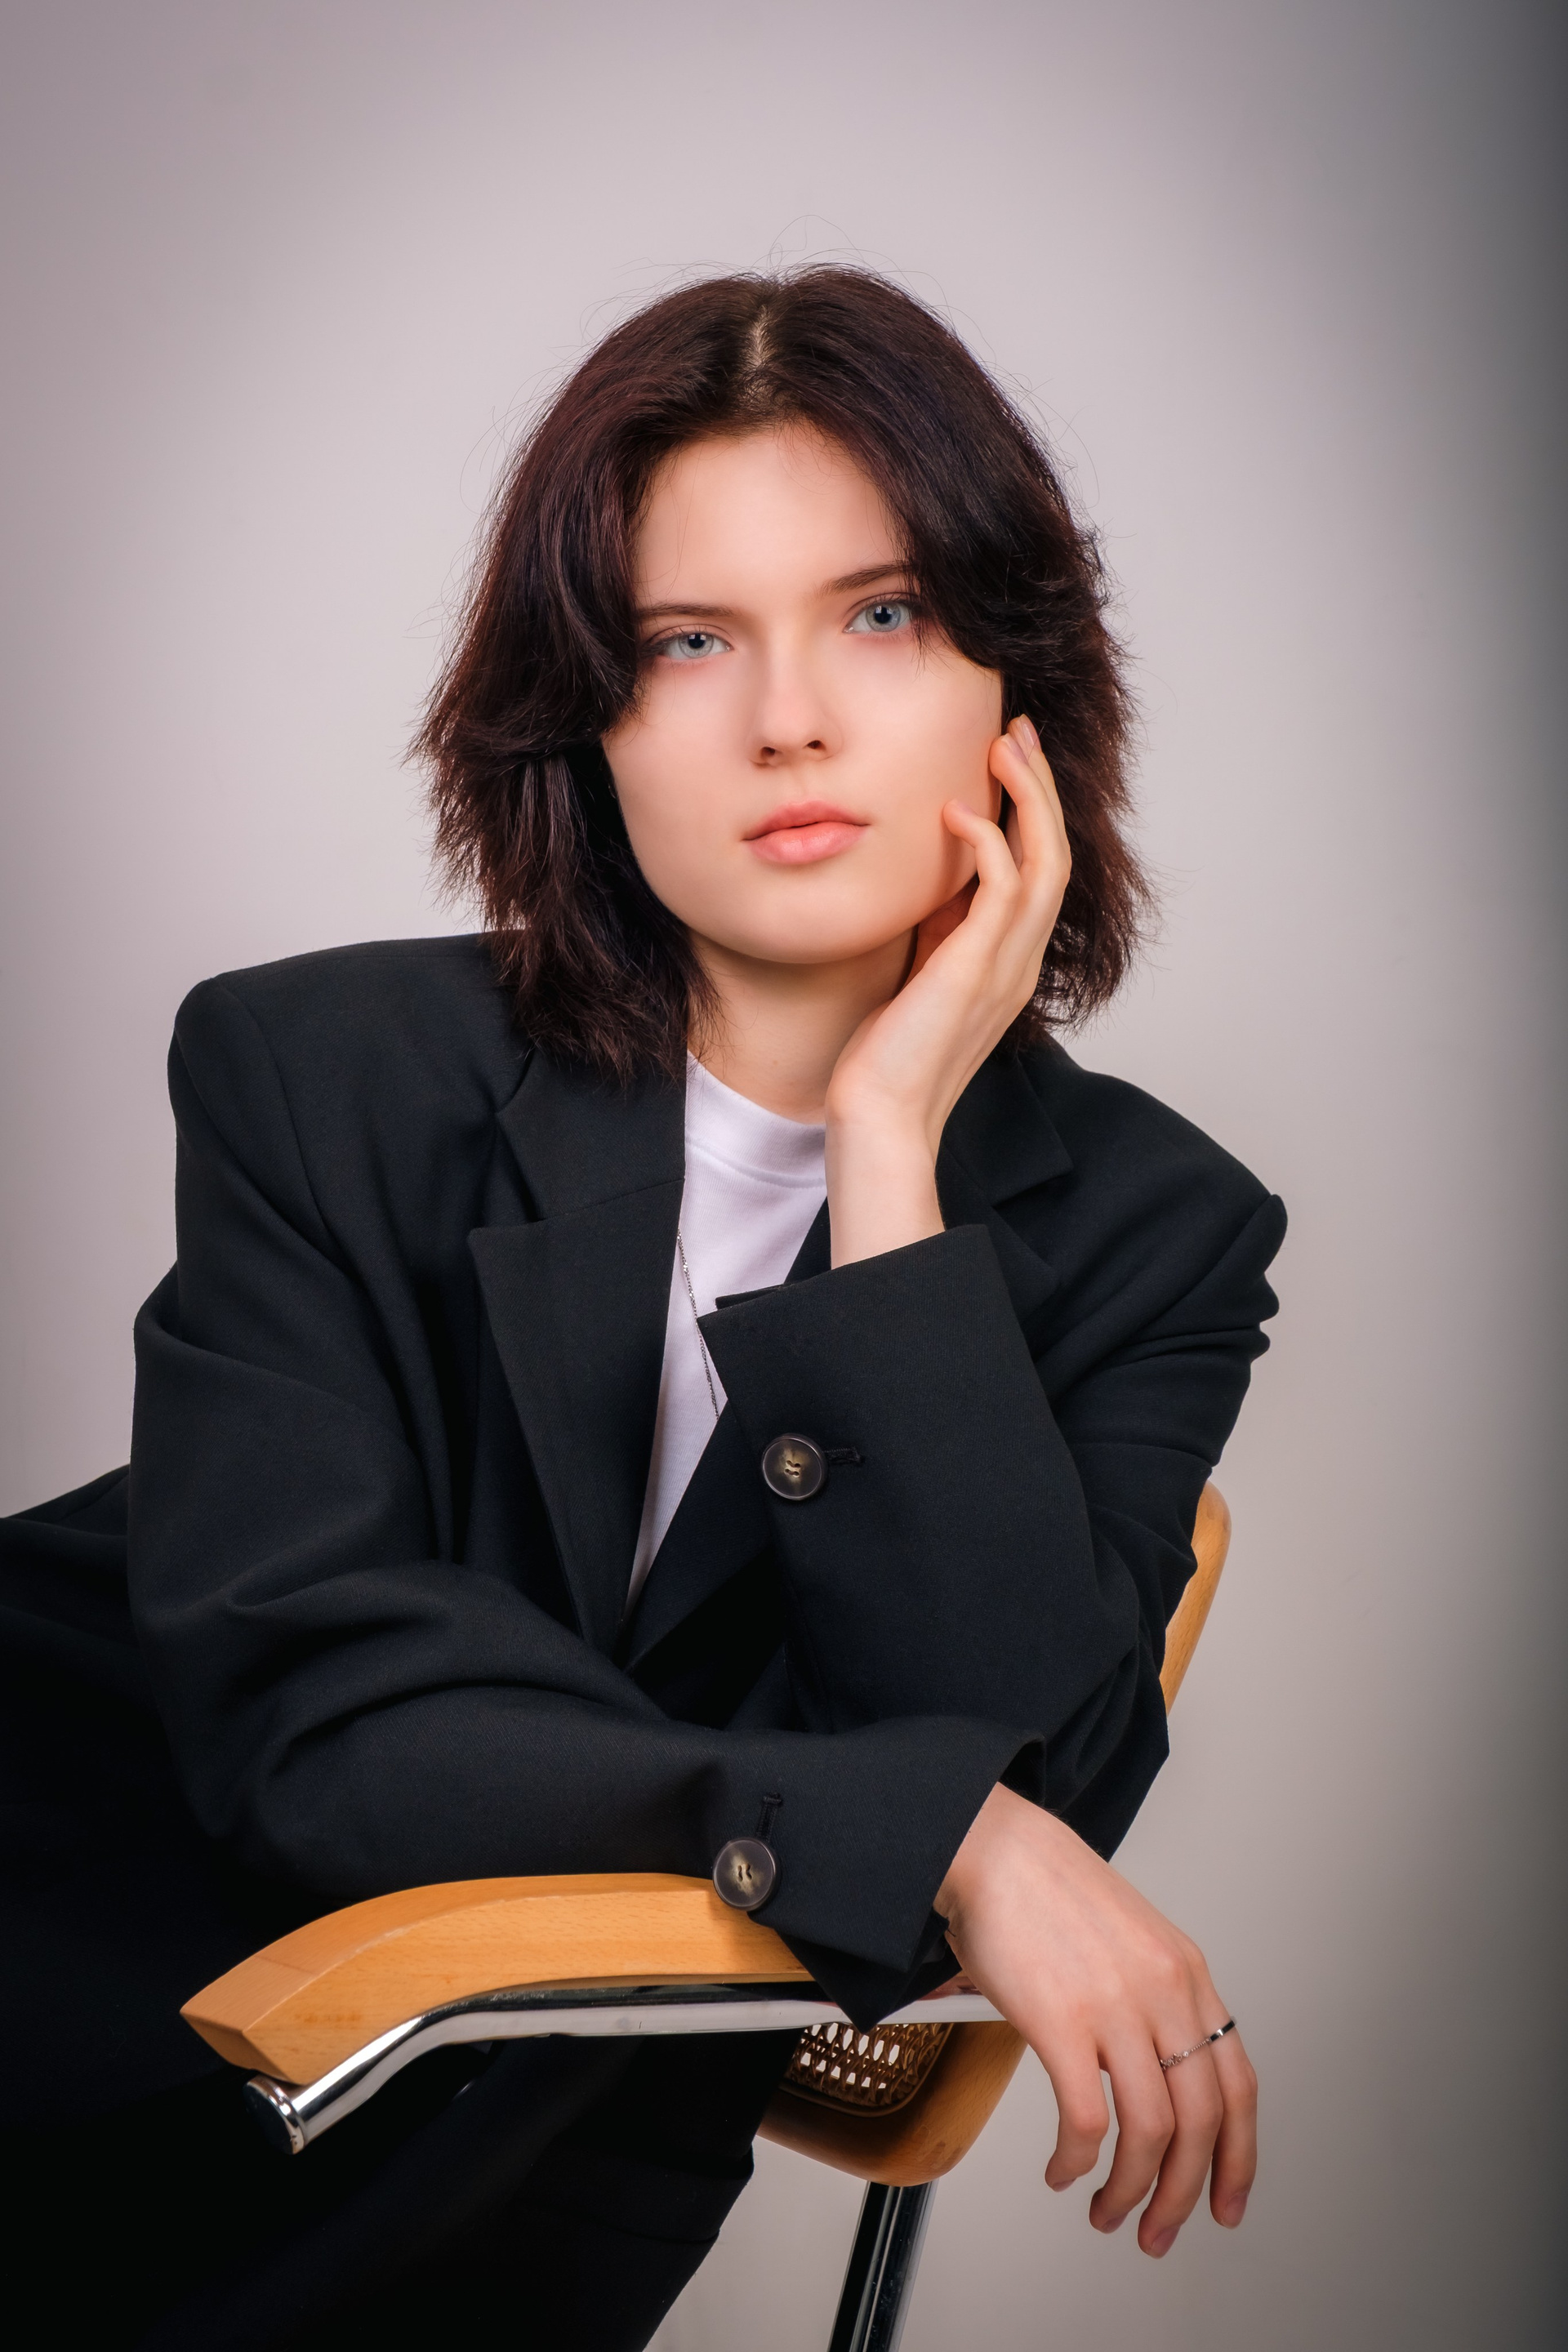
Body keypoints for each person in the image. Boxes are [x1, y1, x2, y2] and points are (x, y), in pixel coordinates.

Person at [0, 267, 1284, 2348]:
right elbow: (311, 1707)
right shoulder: (318, 1075)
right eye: (689, 641)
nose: (788, 719)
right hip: (78, 1949)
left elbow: (1027, 1790)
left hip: (497, 2177)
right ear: (585, 719)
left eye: (882, 614)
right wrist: (921, 1831)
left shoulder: (1160, 1237)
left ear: (1017, 689)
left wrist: (889, 1159)